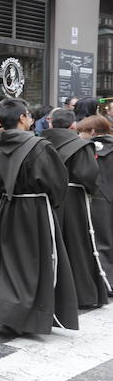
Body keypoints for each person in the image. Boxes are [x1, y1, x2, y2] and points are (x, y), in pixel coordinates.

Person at [0, 98, 79, 334]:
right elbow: (57, 183)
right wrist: (51, 203)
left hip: (7, 210)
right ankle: (25, 316)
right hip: (35, 210)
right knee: (34, 263)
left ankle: (5, 311)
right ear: (23, 118)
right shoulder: (39, 146)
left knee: (8, 263)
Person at [43, 108, 107, 309]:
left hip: (48, 200)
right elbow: (88, 175)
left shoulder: (40, 144)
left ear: (51, 124)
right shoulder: (81, 146)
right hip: (73, 201)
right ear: (72, 126)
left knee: (52, 245)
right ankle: (81, 294)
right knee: (77, 245)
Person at [77, 115, 113, 295]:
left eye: (81, 131)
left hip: (99, 198)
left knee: (101, 242)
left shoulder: (91, 150)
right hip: (107, 197)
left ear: (92, 132)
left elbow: (86, 175)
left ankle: (106, 283)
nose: (79, 135)